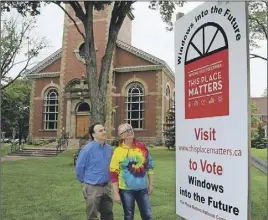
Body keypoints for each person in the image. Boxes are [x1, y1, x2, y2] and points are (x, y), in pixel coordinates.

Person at [110, 123, 154, 220]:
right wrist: (116, 193)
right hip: (126, 190)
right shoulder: (117, 151)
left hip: (142, 189)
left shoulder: (142, 147)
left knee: (147, 215)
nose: (130, 132)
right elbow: (113, 173)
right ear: (121, 136)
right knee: (129, 216)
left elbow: (150, 167)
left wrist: (151, 184)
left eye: (130, 129)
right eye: (126, 131)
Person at [75, 122, 114, 220]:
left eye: (104, 129)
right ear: (93, 135)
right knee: (92, 215)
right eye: (100, 131)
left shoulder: (109, 149)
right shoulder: (87, 149)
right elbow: (79, 168)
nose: (104, 132)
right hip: (92, 188)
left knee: (108, 214)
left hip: (106, 187)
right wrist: (87, 182)